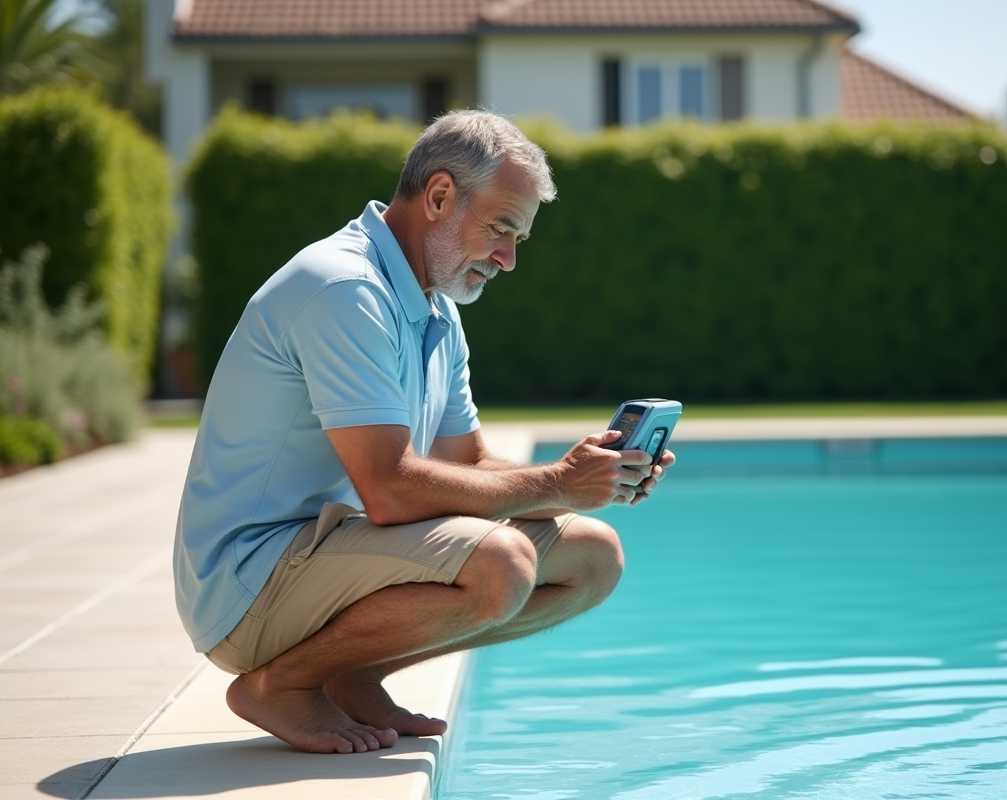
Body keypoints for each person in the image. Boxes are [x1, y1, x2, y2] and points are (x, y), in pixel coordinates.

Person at [173, 110, 674, 755]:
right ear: (438, 197)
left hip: (324, 557)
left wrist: (593, 478)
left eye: (518, 238)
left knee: (594, 557)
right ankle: (283, 684)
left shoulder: (433, 305)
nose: (509, 259)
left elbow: (469, 464)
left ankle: (351, 675)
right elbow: (389, 491)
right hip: (248, 585)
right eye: (501, 229)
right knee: (502, 564)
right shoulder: (344, 288)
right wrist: (557, 483)